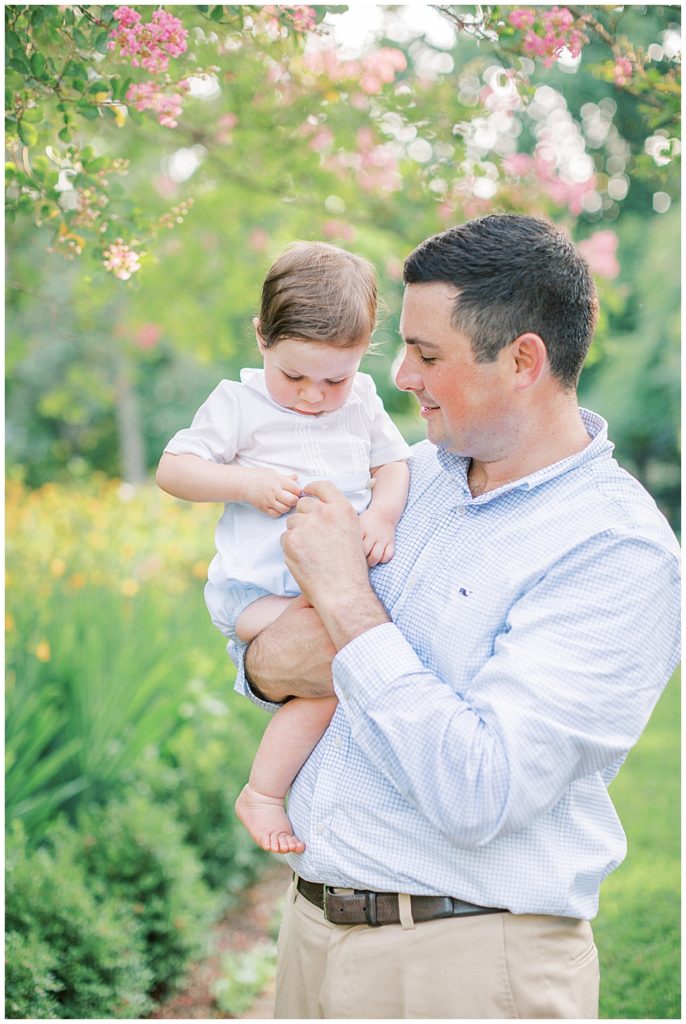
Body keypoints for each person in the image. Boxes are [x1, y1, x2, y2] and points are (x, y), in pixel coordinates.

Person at [229, 214, 680, 1019]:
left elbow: (480, 792)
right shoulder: (410, 479)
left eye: (427, 354)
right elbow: (261, 666)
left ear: (523, 360)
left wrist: (343, 603)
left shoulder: (615, 550)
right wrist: (290, 653)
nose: (399, 375)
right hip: (310, 940)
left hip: (466, 964)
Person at [157, 241, 410, 856]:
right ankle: (264, 792)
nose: (313, 396)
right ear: (262, 338)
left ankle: (304, 794)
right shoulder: (239, 405)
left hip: (330, 586)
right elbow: (174, 469)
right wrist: (244, 482)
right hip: (258, 595)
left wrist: (381, 513)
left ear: (363, 353)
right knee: (336, 659)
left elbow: (396, 462)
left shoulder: (364, 403)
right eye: (294, 375)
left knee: (341, 667)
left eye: (335, 379)